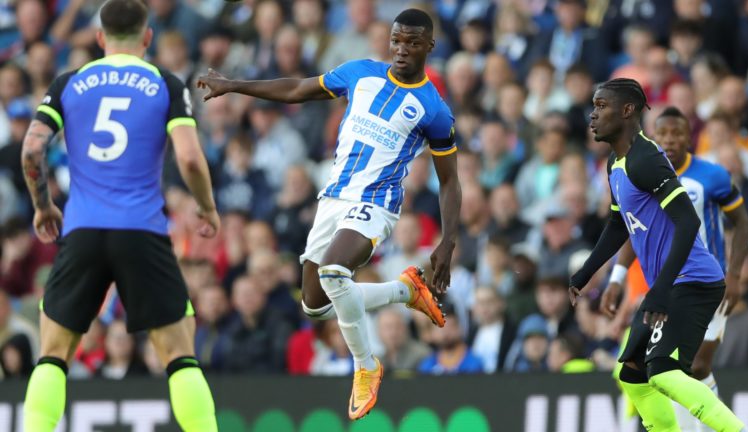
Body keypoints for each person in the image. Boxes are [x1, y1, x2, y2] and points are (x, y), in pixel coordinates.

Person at [198, 8, 461, 420]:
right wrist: (234, 85)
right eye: (396, 40)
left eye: (412, 43)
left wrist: (448, 240)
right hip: (333, 198)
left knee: (334, 273)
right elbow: (297, 89)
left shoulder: (435, 110)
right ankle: (405, 290)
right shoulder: (359, 73)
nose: (401, 49)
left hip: (377, 202)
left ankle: (366, 366)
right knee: (315, 304)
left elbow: (450, 181)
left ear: (429, 46)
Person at [21, 0, 219, 430]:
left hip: (83, 231)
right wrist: (206, 206)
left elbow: (32, 148)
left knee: (53, 355)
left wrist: (42, 205)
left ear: (99, 38)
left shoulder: (69, 82)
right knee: (180, 356)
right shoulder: (165, 83)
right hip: (141, 230)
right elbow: (189, 158)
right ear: (147, 37)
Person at [568, 78, 745, 432]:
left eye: (601, 106)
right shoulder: (616, 163)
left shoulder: (646, 159)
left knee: (664, 372)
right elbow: (619, 224)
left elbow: (688, 221)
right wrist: (586, 272)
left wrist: (661, 290)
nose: (593, 115)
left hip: (693, 281)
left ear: (627, 110)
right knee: (632, 375)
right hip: (671, 284)